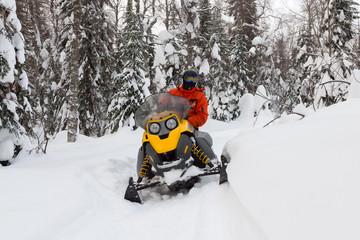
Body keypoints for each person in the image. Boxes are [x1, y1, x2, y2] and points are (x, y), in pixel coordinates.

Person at [169, 69, 216, 168]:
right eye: (188, 79)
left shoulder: (199, 96)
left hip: (189, 127)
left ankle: (201, 162)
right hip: (171, 126)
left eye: (194, 80)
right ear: (183, 79)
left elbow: (202, 116)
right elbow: (161, 107)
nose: (191, 82)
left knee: (194, 145)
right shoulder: (173, 93)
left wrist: (187, 120)